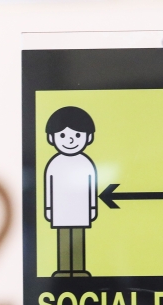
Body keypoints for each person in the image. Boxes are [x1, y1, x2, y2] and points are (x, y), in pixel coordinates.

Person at [43, 106, 97, 277]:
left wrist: (93, 208)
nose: (71, 140)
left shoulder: (86, 163)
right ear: (51, 138)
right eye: (63, 135)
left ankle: (79, 270)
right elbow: (49, 187)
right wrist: (48, 209)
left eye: (78, 135)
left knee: (78, 240)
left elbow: (91, 188)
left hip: (81, 210)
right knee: (64, 239)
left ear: (89, 137)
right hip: (61, 210)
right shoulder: (53, 164)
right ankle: (64, 270)